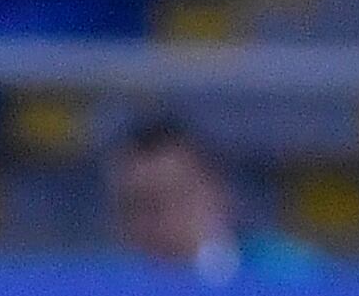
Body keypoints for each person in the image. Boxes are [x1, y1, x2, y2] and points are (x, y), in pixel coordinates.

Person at [105, 116, 322, 280]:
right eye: (137, 206)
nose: (162, 221)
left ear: (220, 195)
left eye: (178, 197)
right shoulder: (107, 293)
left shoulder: (287, 277)